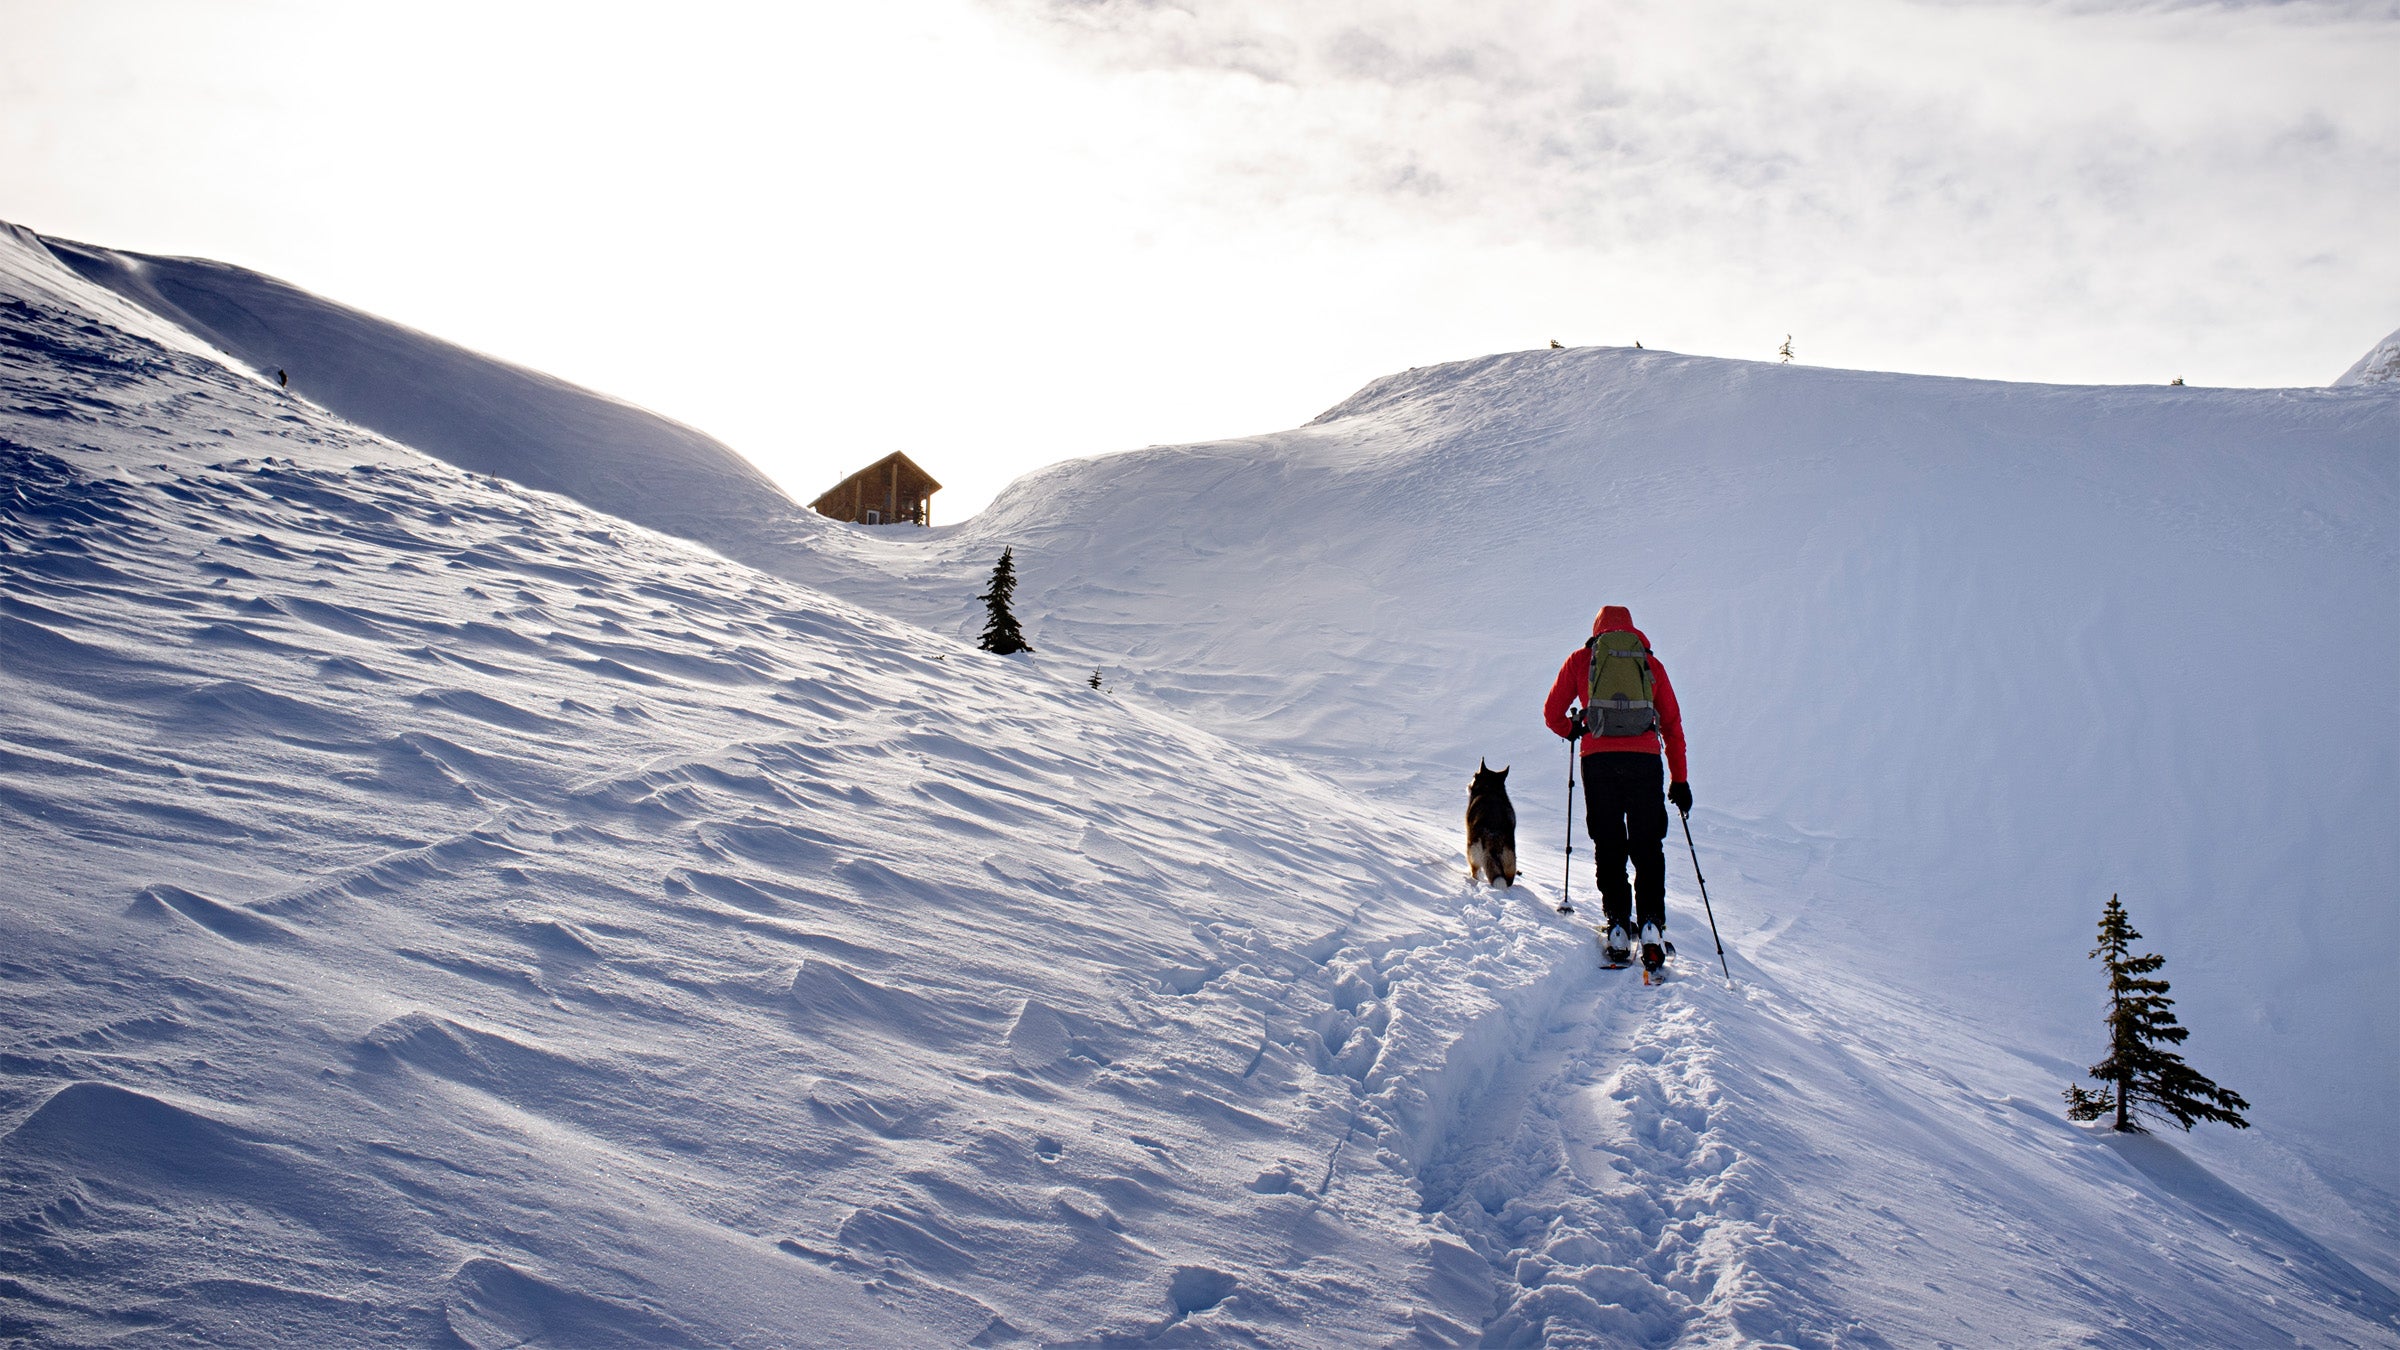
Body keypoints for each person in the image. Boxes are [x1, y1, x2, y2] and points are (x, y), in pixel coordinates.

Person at [1543, 605, 1690, 969]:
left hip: (1598, 762)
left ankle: (1619, 926)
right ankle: (1652, 922)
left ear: (1597, 630)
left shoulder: (1581, 660)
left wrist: (1573, 729)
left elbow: (1551, 713)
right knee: (1647, 842)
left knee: (1609, 843)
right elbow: (1672, 725)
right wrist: (1680, 779)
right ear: (1631, 630)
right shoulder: (1649, 665)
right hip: (1645, 761)